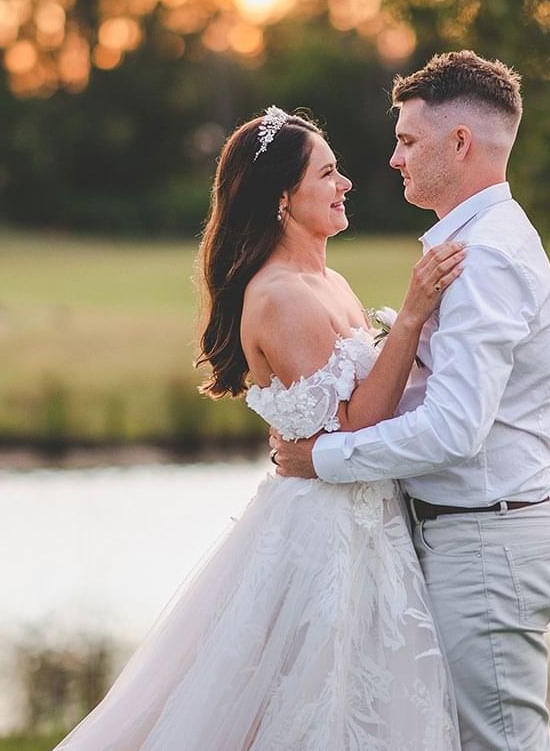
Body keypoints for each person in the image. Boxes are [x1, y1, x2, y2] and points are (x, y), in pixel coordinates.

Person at [54, 105, 466, 749]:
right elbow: (357, 422)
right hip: (325, 535)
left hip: (369, 519)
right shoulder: (280, 297)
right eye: (328, 174)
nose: (346, 184)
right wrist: (411, 317)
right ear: (282, 198)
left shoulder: (331, 280)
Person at [271, 50, 550, 751]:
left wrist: (326, 457)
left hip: (485, 542)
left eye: (408, 140)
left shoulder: (486, 255)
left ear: (461, 143)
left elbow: (456, 429)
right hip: (466, 534)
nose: (394, 159)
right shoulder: (473, 243)